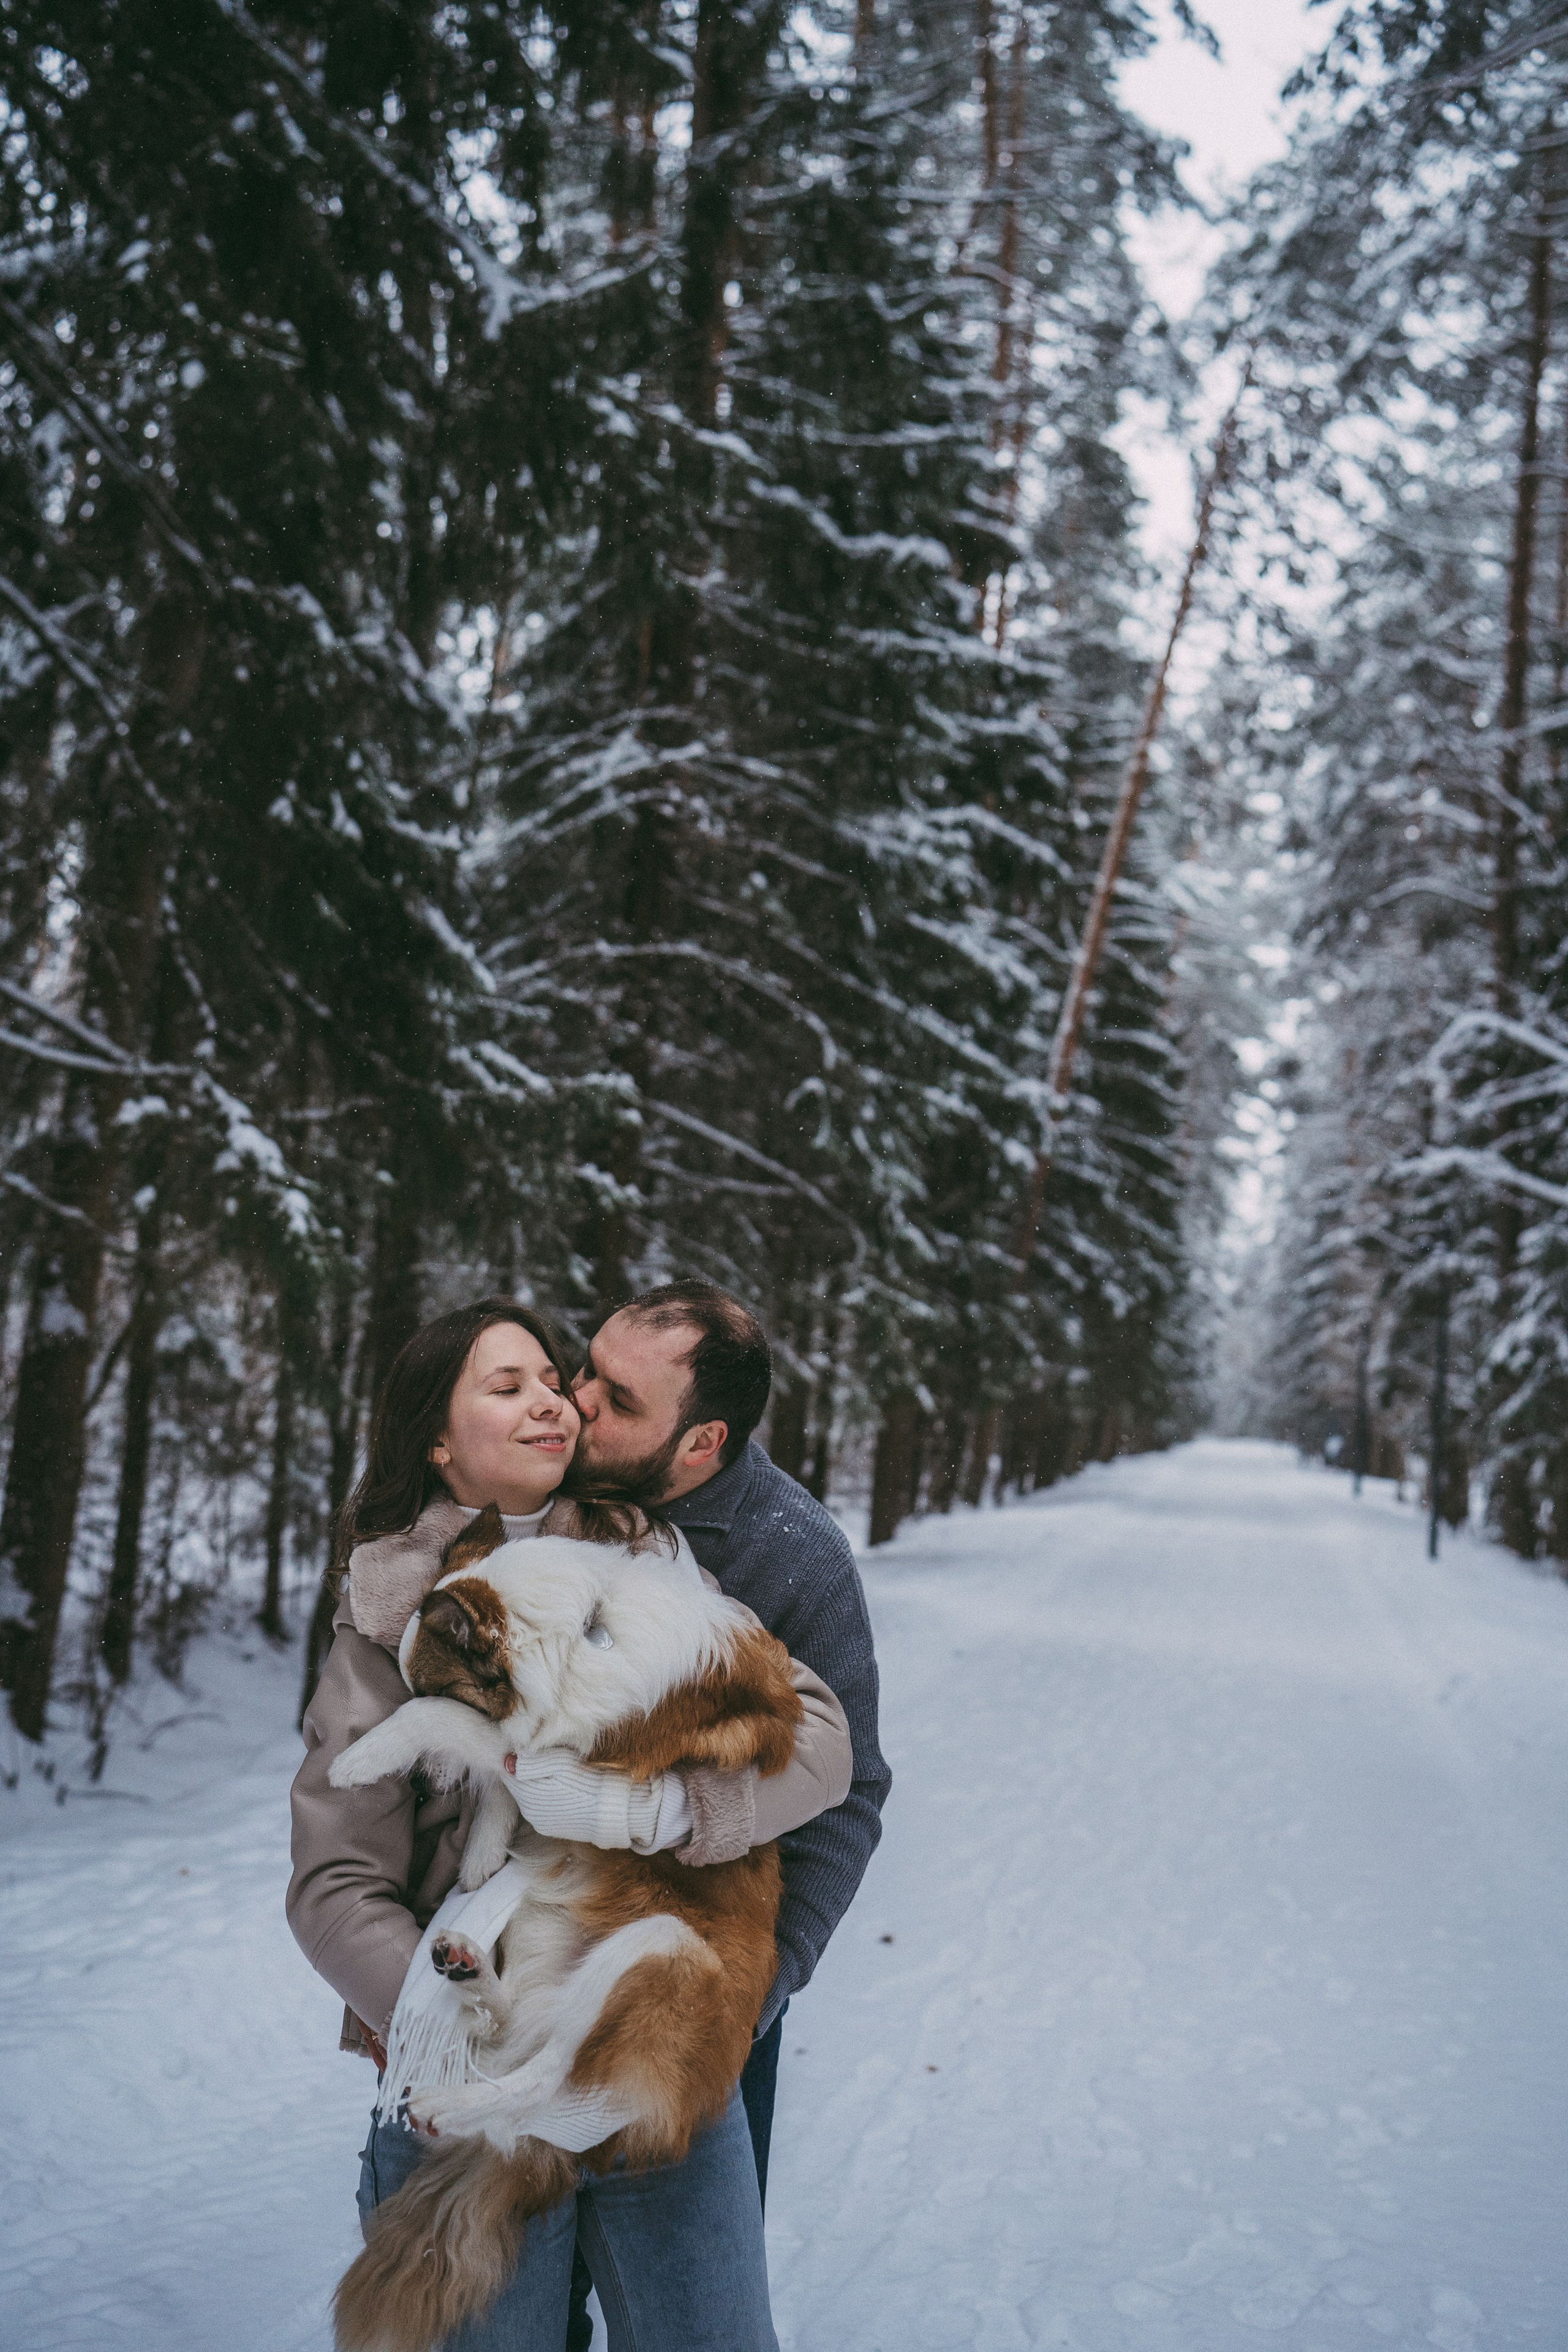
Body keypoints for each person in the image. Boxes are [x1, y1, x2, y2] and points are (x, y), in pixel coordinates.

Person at [287, 1296, 856, 2352]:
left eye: (553, 1381)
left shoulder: (649, 1555)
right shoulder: (380, 1620)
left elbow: (822, 1744)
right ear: (438, 1441)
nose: (557, 1402)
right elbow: (333, 1885)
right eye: (511, 1388)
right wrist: (441, 2030)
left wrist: (664, 1809)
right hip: (468, 2070)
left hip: (652, 2057)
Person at [560, 1278, 891, 2347]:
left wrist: (761, 1991)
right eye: (584, 1367)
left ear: (700, 1443)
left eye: (615, 1396)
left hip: (695, 1998)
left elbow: (853, 1789)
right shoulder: (533, 1483)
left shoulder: (791, 1553)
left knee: (689, 2316)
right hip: (517, 1982)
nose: (574, 1402)